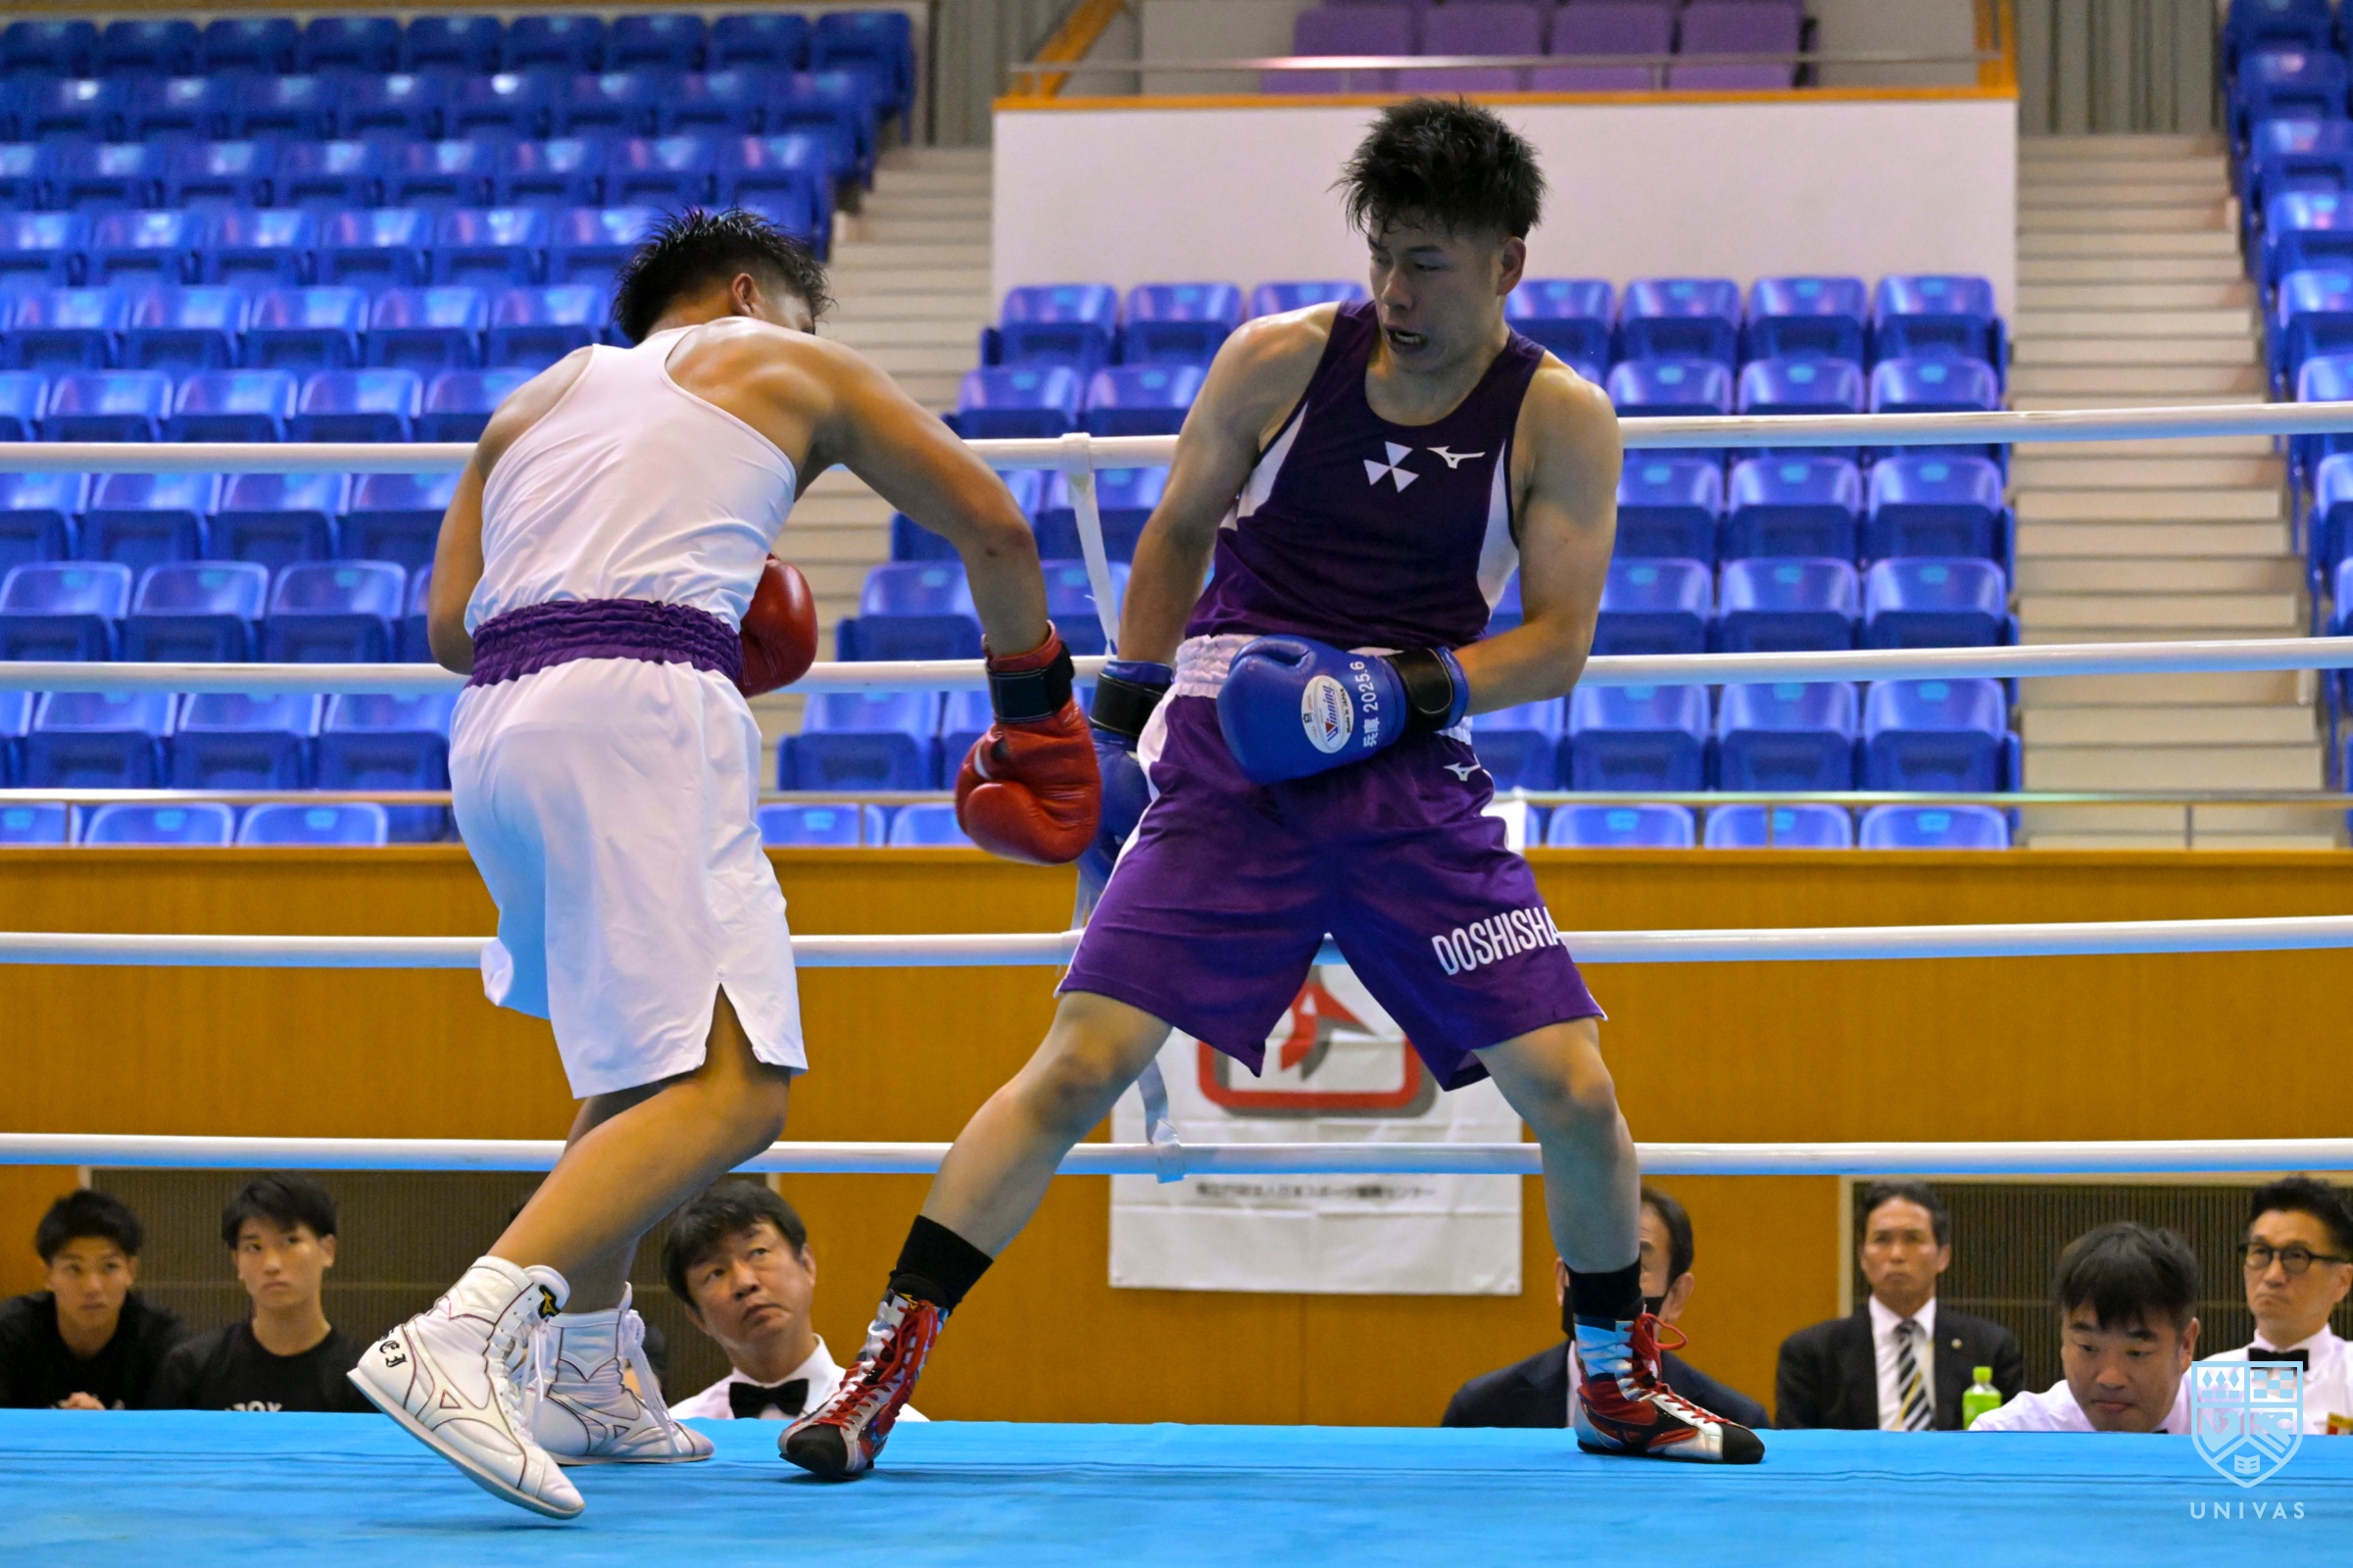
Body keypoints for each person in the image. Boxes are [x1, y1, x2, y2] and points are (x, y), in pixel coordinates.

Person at [786, 98, 1762, 1479]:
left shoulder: (1558, 418)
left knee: (1574, 1090)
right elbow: (1178, 532)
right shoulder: (1279, 360)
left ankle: (1613, 1379)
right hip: (1229, 756)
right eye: (1382, 256)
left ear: (1506, 264)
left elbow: (1554, 644)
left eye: (1428, 263)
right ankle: (877, 1375)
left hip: (1406, 770)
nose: (1396, 291)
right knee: (1078, 1064)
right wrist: (1120, 721)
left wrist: (1392, 691)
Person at [348, 209, 1094, 1519]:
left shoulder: (528, 405)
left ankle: (587, 1373)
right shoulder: (778, 358)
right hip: (637, 709)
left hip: (498, 733)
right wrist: (1037, 714)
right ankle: (461, 1332)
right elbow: (994, 526)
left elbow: (452, 628)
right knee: (736, 1090)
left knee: (642, 1068)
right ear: (751, 297)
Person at [1444, 1187, 1768, 1431]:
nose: (1610, 1283)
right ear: (1562, 1279)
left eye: (1635, 1266)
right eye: (1592, 1260)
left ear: (1677, 1296)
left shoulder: (1734, 1424)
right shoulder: (1481, 1411)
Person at [662, 1181, 924, 1426]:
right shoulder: (678, 1434)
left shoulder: (896, 1427)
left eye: (758, 1252)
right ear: (697, 1317)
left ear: (807, 1264)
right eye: (715, 1273)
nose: (744, 1282)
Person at [1774, 1180, 2024, 1431]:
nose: (1896, 1254)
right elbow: (1795, 1449)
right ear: (1862, 1257)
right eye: (1882, 1239)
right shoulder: (1812, 1354)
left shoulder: (1989, 1347)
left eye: (1913, 1239)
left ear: (1943, 1256)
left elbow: (2015, 1444)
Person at [149, 1174, 370, 1413]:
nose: (271, 1264)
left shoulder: (363, 1381)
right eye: (254, 1247)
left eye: (290, 1241)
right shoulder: (191, 1369)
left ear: (328, 1250)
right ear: (236, 1261)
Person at [1971, 1221, 2198, 1434]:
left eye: (2136, 1353)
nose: (2110, 1379)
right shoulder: (2006, 1435)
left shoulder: (2220, 1424)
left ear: (2186, 1345)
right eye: (2088, 1348)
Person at [0, 1189, 183, 1410]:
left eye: (109, 1267)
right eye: (74, 1268)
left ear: (131, 1271)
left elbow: (179, 1428)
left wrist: (103, 1427)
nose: (92, 1287)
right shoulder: (9, 1333)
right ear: (47, 1274)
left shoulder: (162, 1341)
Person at [2197, 1176, 2353, 1434]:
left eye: (2296, 1256)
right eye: (2260, 1252)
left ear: (2343, 1280)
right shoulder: (2202, 1382)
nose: (2272, 1276)